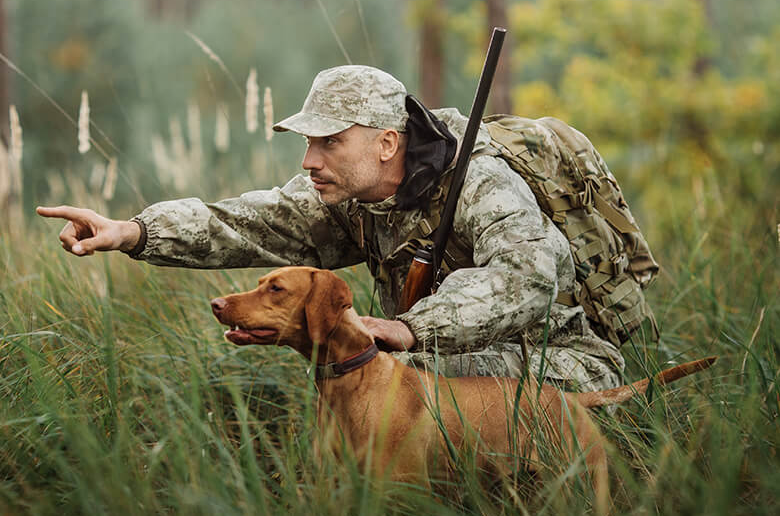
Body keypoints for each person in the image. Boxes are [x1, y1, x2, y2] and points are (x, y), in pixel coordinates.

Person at [38, 66, 624, 392]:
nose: (309, 160)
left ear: (387, 142)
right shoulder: (347, 194)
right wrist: (133, 232)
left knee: (391, 376)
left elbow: (529, 278)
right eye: (308, 142)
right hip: (439, 355)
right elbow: (249, 223)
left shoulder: (481, 182)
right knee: (372, 372)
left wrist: (412, 330)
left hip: (561, 364)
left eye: (329, 142)